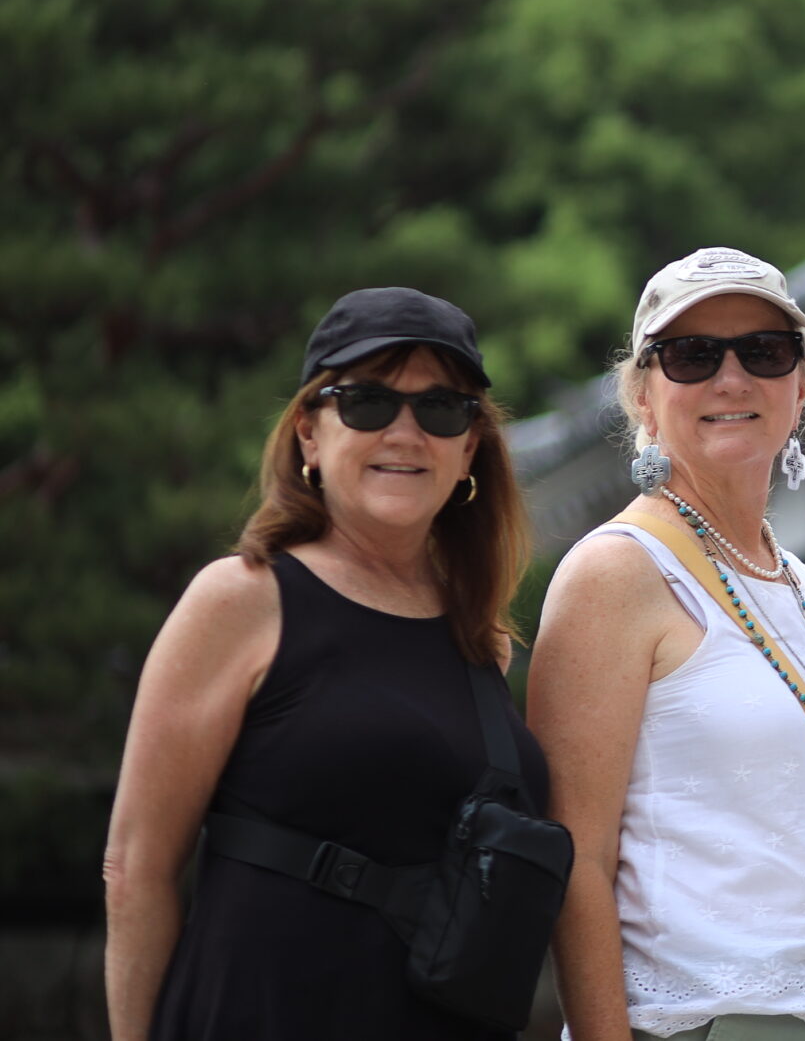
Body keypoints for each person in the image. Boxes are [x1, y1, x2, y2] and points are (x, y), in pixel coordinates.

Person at [102, 287, 540, 1041]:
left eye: (441, 409)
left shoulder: (482, 641)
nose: (406, 432)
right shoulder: (244, 599)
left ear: (470, 447)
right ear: (309, 430)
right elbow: (135, 868)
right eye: (368, 402)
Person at [531, 246, 805, 1041]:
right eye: (693, 355)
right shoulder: (616, 571)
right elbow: (576, 859)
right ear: (643, 395)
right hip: (700, 1019)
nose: (732, 379)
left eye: (764, 351)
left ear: (801, 385)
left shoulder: (802, 584)